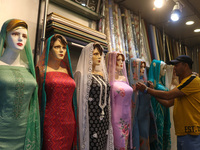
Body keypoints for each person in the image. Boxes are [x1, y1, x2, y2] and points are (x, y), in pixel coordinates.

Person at [136, 55, 200, 150]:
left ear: (185, 65)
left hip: (191, 133)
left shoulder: (192, 80)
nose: (174, 68)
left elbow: (168, 95)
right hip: (183, 133)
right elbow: (168, 103)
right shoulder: (183, 84)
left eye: (176, 65)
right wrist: (153, 92)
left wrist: (147, 90)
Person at [0, 19, 40, 149]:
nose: (20, 38)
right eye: (15, 34)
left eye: (24, 36)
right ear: (4, 37)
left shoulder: (29, 68)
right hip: (2, 131)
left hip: (25, 133)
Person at [36, 34, 78, 149]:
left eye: (64, 48)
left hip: (69, 122)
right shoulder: (41, 71)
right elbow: (37, 99)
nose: (61, 50)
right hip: (50, 123)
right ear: (49, 49)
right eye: (57, 47)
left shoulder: (67, 71)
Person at [74, 43, 114, 150]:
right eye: (95, 54)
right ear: (88, 55)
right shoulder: (81, 75)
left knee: (102, 144)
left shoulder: (101, 74)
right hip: (91, 119)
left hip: (104, 118)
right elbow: (79, 100)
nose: (99, 57)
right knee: (92, 145)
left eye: (100, 54)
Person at [138, 59, 171, 150]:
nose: (164, 71)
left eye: (144, 67)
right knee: (158, 138)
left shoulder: (155, 84)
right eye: (163, 69)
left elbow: (169, 100)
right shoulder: (150, 84)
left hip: (163, 113)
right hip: (156, 115)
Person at [106, 52, 133, 149]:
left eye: (122, 60)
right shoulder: (108, 79)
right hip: (116, 118)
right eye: (118, 60)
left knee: (125, 145)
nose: (121, 63)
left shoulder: (124, 78)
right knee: (119, 145)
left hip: (127, 116)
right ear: (112, 61)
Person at [129, 58, 157, 150]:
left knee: (145, 142)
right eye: (140, 67)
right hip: (136, 120)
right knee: (137, 141)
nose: (143, 70)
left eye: (144, 67)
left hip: (146, 120)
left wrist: (150, 89)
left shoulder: (146, 84)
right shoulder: (130, 85)